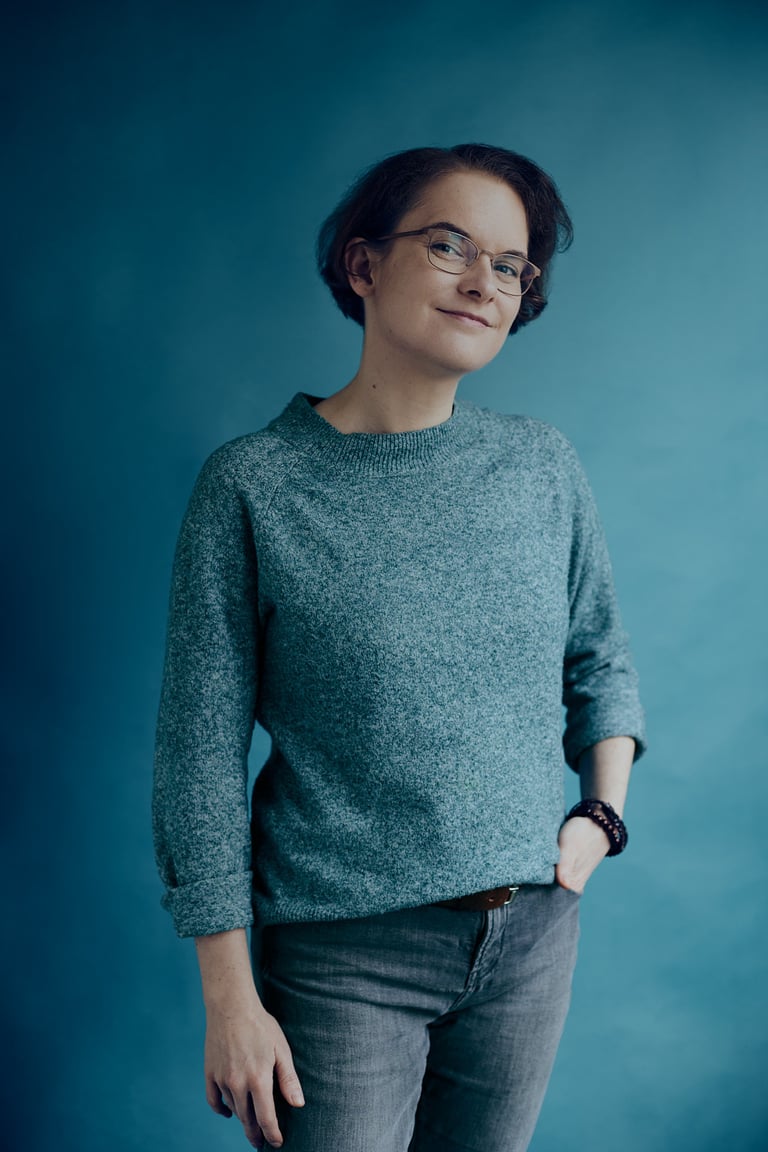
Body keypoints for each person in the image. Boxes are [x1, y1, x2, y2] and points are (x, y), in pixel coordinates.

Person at [152, 143, 646, 1152]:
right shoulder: (256, 484)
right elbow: (198, 754)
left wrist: (598, 819)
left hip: (531, 943)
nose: (483, 282)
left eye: (511, 265)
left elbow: (601, 663)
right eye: (450, 245)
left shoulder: (540, 465)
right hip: (341, 961)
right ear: (364, 265)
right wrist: (230, 1001)